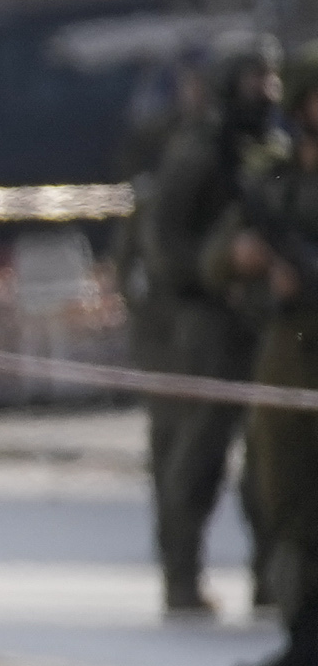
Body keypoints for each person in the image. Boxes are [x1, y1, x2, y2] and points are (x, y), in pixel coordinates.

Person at [128, 53, 268, 615]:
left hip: (261, 321)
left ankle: (275, 580)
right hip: (203, 324)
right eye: (256, 78)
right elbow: (164, 245)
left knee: (271, 461)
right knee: (198, 452)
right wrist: (218, 274)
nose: (268, 90)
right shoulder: (198, 153)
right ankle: (181, 574)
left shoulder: (264, 151)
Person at [215, 61, 318, 666]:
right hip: (290, 351)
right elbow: (212, 255)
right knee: (281, 496)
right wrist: (242, 259)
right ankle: (303, 637)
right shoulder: (275, 178)